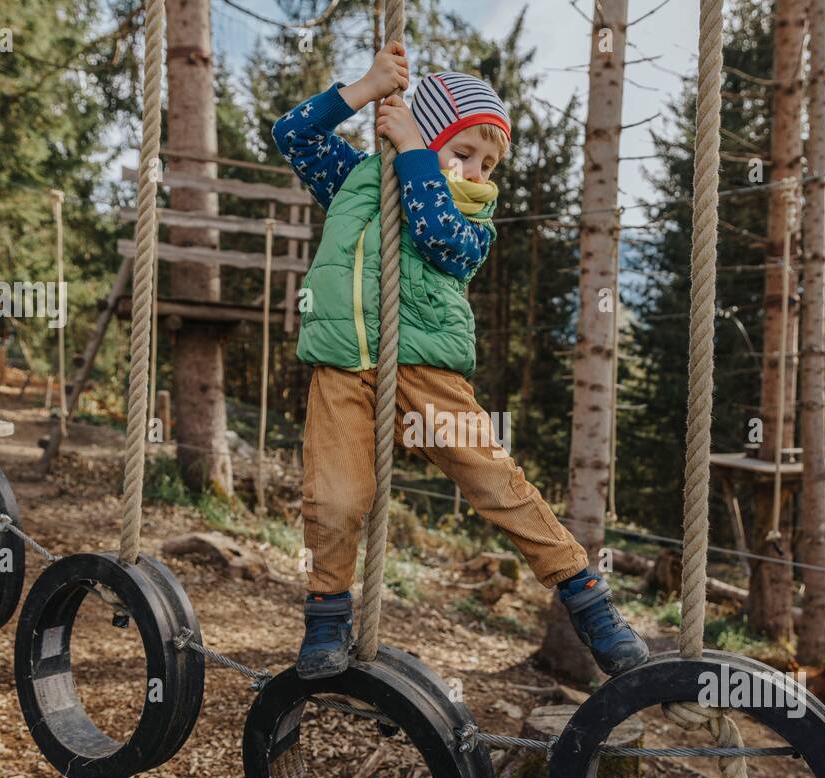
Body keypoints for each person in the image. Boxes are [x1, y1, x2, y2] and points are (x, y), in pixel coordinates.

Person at [272, 42, 648, 680]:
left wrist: (420, 150)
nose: (476, 171)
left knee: (495, 482)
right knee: (335, 501)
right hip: (340, 370)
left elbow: (435, 233)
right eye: (464, 152)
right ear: (429, 131)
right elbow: (292, 134)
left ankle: (587, 597)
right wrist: (363, 90)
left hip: (427, 375)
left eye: (489, 161)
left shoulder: (472, 214)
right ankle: (328, 617)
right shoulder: (356, 178)